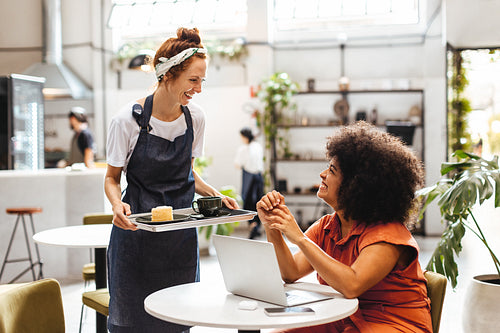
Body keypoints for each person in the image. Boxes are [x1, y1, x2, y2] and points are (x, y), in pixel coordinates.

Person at [104, 27, 238, 332]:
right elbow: (111, 178)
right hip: (136, 236)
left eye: (202, 81)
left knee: (177, 321)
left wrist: (217, 196)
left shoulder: (195, 118)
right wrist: (116, 205)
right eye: (193, 80)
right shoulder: (128, 119)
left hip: (179, 240)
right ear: (167, 74)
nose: (199, 89)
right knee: (133, 323)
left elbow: (187, 173)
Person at [257, 121, 432, 333]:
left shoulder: (388, 234)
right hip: (343, 317)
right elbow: (290, 272)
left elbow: (352, 285)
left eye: (331, 170)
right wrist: (272, 226)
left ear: (356, 185)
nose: (322, 174)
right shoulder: (328, 227)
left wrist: (300, 239)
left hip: (393, 322)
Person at [234, 127, 264, 239]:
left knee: (247, 202)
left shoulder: (243, 149)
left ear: (245, 137)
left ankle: (253, 225)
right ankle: (257, 226)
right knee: (259, 202)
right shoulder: (258, 146)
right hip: (259, 177)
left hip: (249, 177)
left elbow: (237, 164)